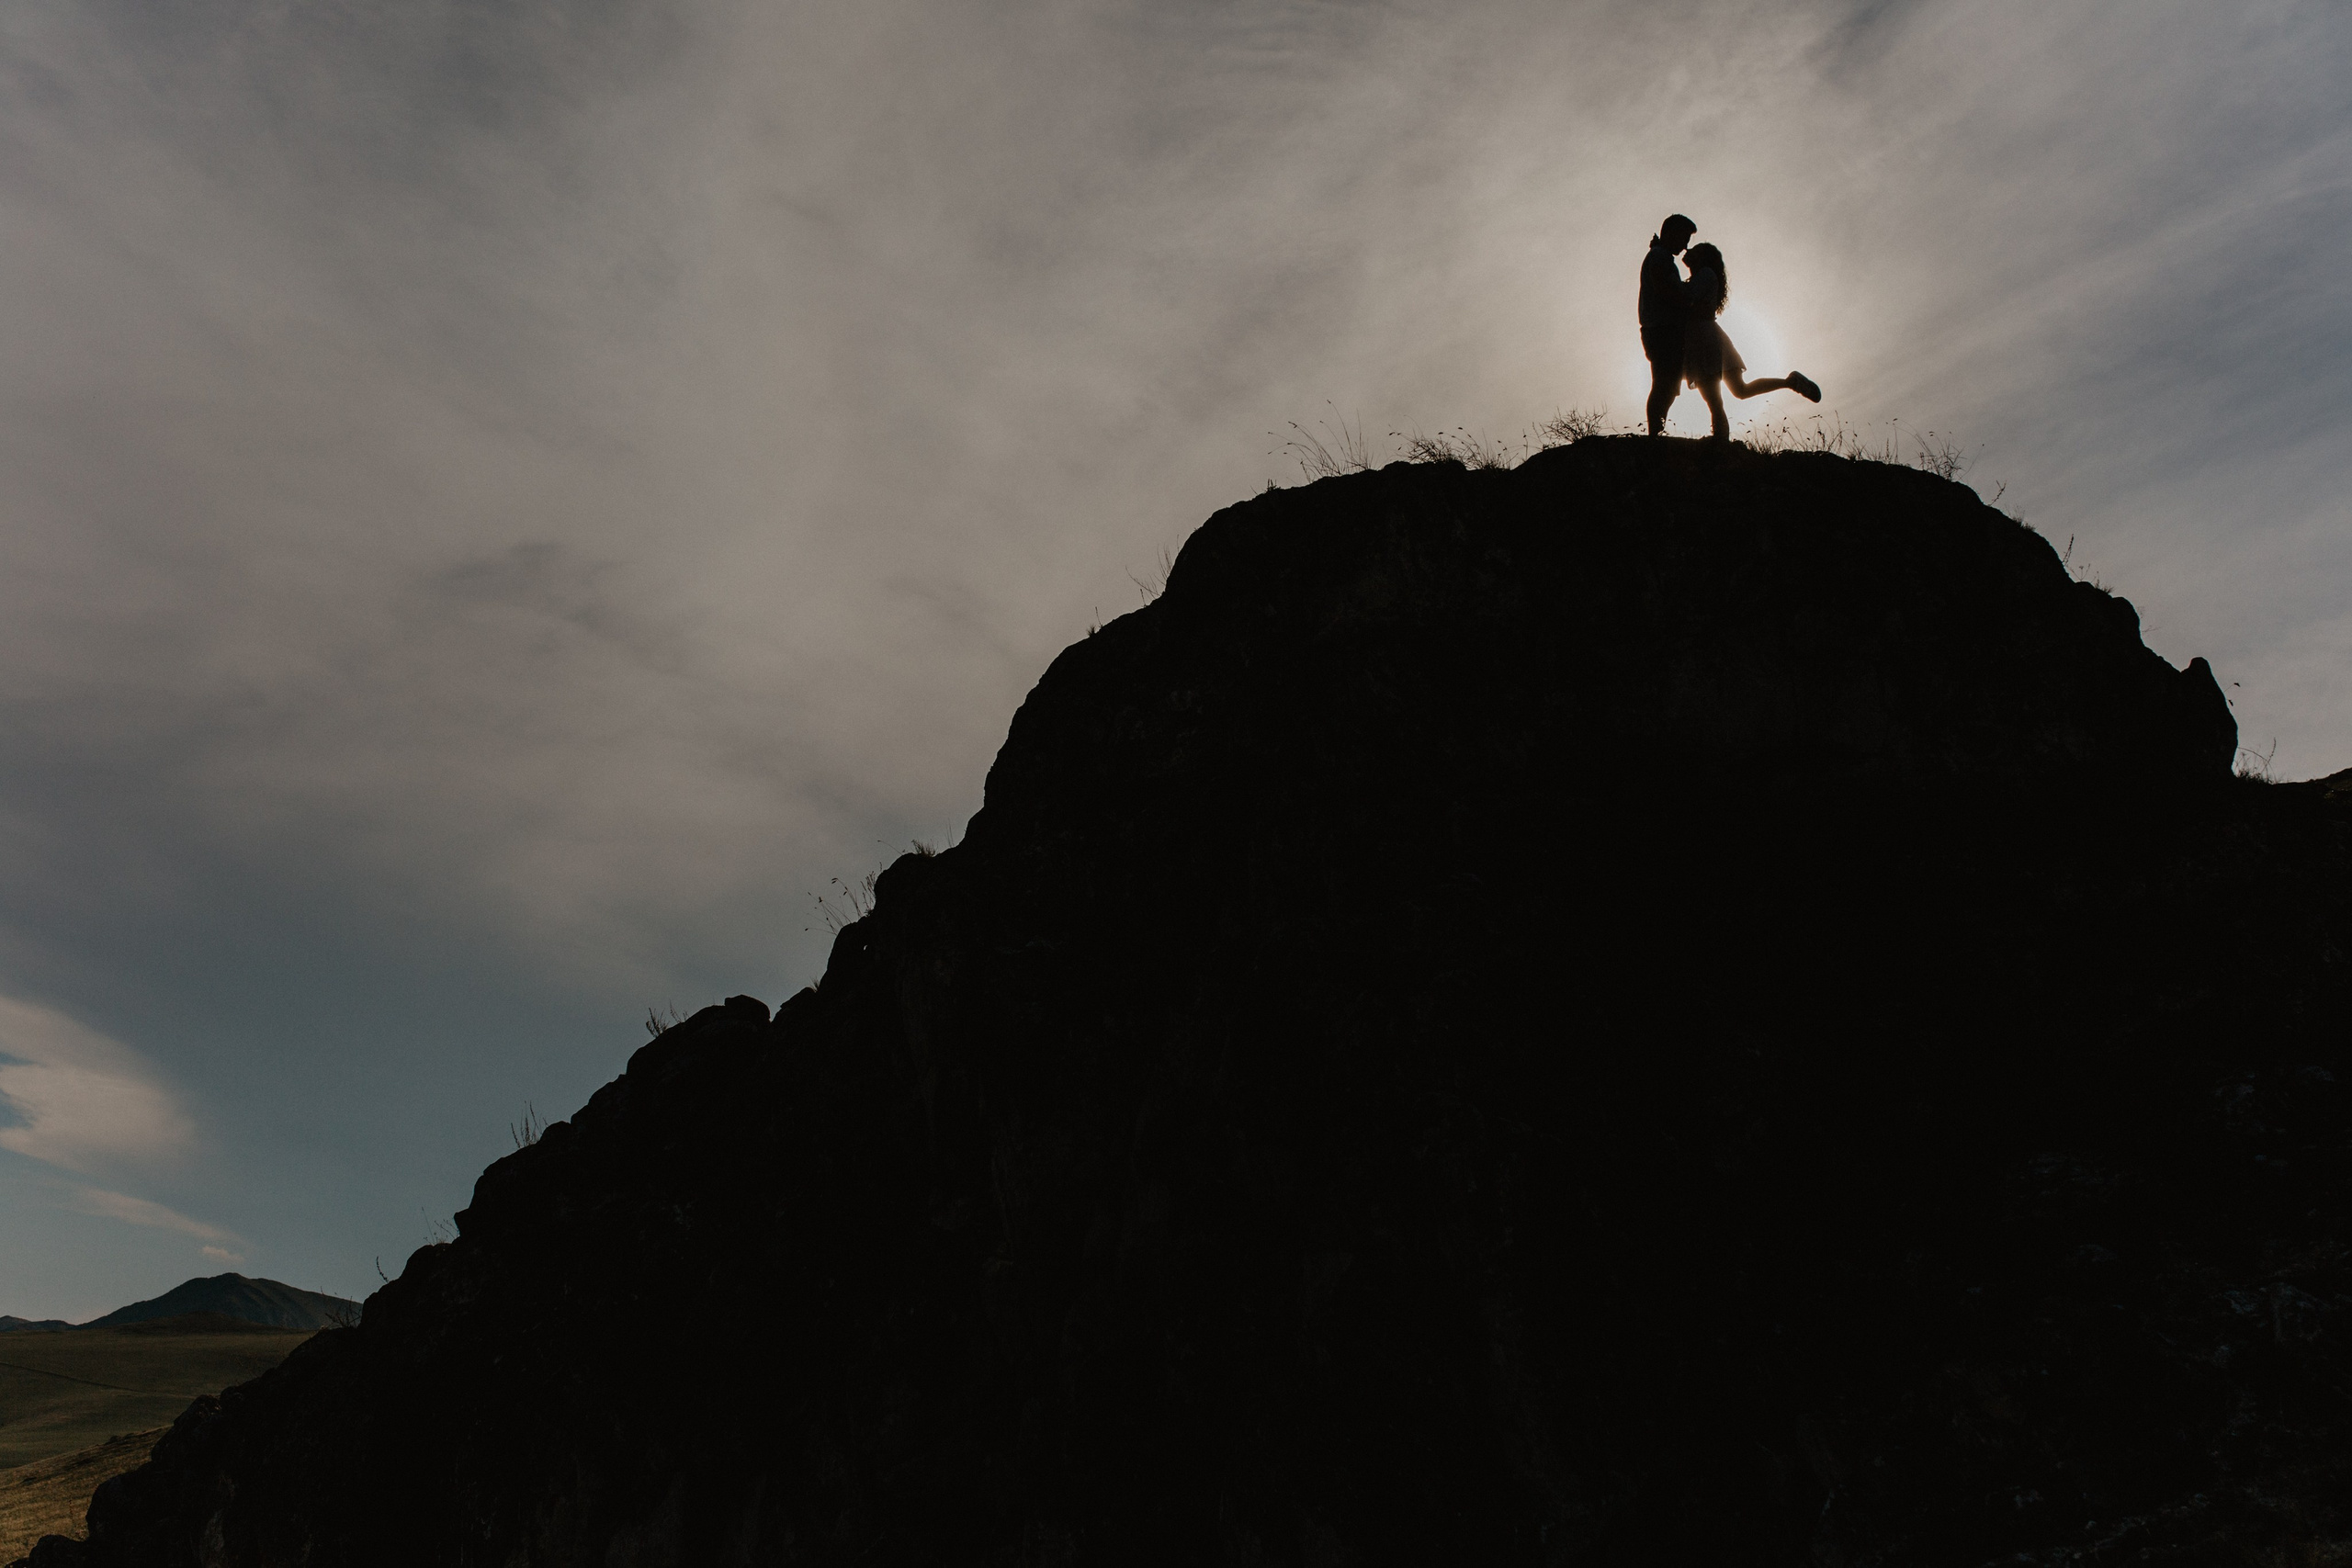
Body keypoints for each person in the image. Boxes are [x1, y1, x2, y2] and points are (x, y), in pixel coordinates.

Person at [1679, 242, 1821, 442]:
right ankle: (1790, 382)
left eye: (1695, 250)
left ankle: (1720, 441)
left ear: (1702, 258)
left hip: (1704, 341)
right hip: (1711, 339)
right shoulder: (1705, 276)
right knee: (1740, 391)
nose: (1689, 250)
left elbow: (1682, 296)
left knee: (1715, 399)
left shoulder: (1705, 275)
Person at [1640, 215, 1697, 434]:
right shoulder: (1660, 257)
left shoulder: (1660, 256)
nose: (1685, 246)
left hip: (1661, 328)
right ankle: (1655, 431)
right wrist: (1687, 298)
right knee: (1664, 383)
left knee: (1669, 385)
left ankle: (1657, 429)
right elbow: (1666, 289)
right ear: (1671, 232)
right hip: (1661, 329)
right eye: (1684, 238)